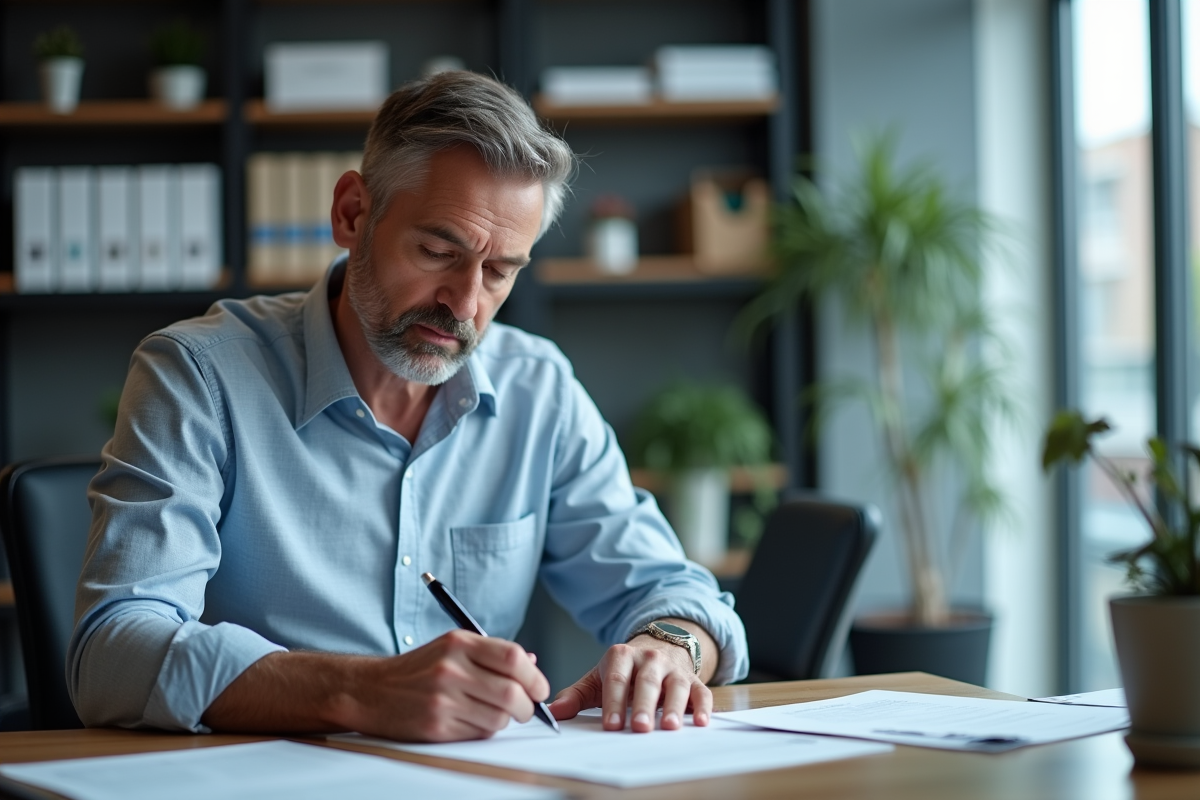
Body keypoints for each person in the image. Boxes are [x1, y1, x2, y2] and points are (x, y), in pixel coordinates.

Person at [69, 71, 748, 743]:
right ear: (352, 214)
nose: (464, 302)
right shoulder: (198, 375)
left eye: (500, 271)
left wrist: (668, 648)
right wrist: (358, 693)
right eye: (437, 251)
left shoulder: (537, 390)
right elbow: (113, 653)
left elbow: (678, 597)